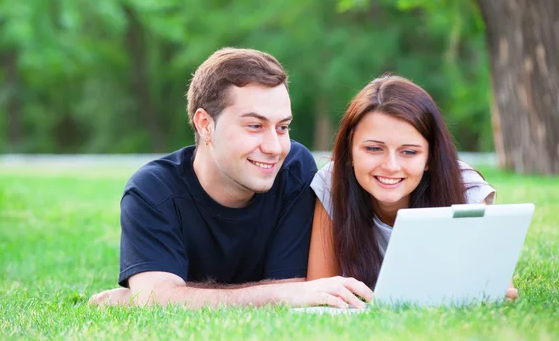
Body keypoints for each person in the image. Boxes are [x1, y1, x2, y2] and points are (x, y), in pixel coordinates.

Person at [89, 47, 373, 309]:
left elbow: (296, 289)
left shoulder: (294, 168)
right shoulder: (153, 190)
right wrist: (156, 295)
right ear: (205, 125)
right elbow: (156, 298)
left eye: (283, 127)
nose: (274, 147)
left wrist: (163, 295)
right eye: (254, 126)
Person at [307, 74, 519, 300]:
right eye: (373, 149)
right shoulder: (332, 183)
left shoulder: (466, 190)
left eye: (409, 152)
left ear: (430, 157)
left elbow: (499, 293)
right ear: (350, 150)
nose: (390, 166)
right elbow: (320, 292)